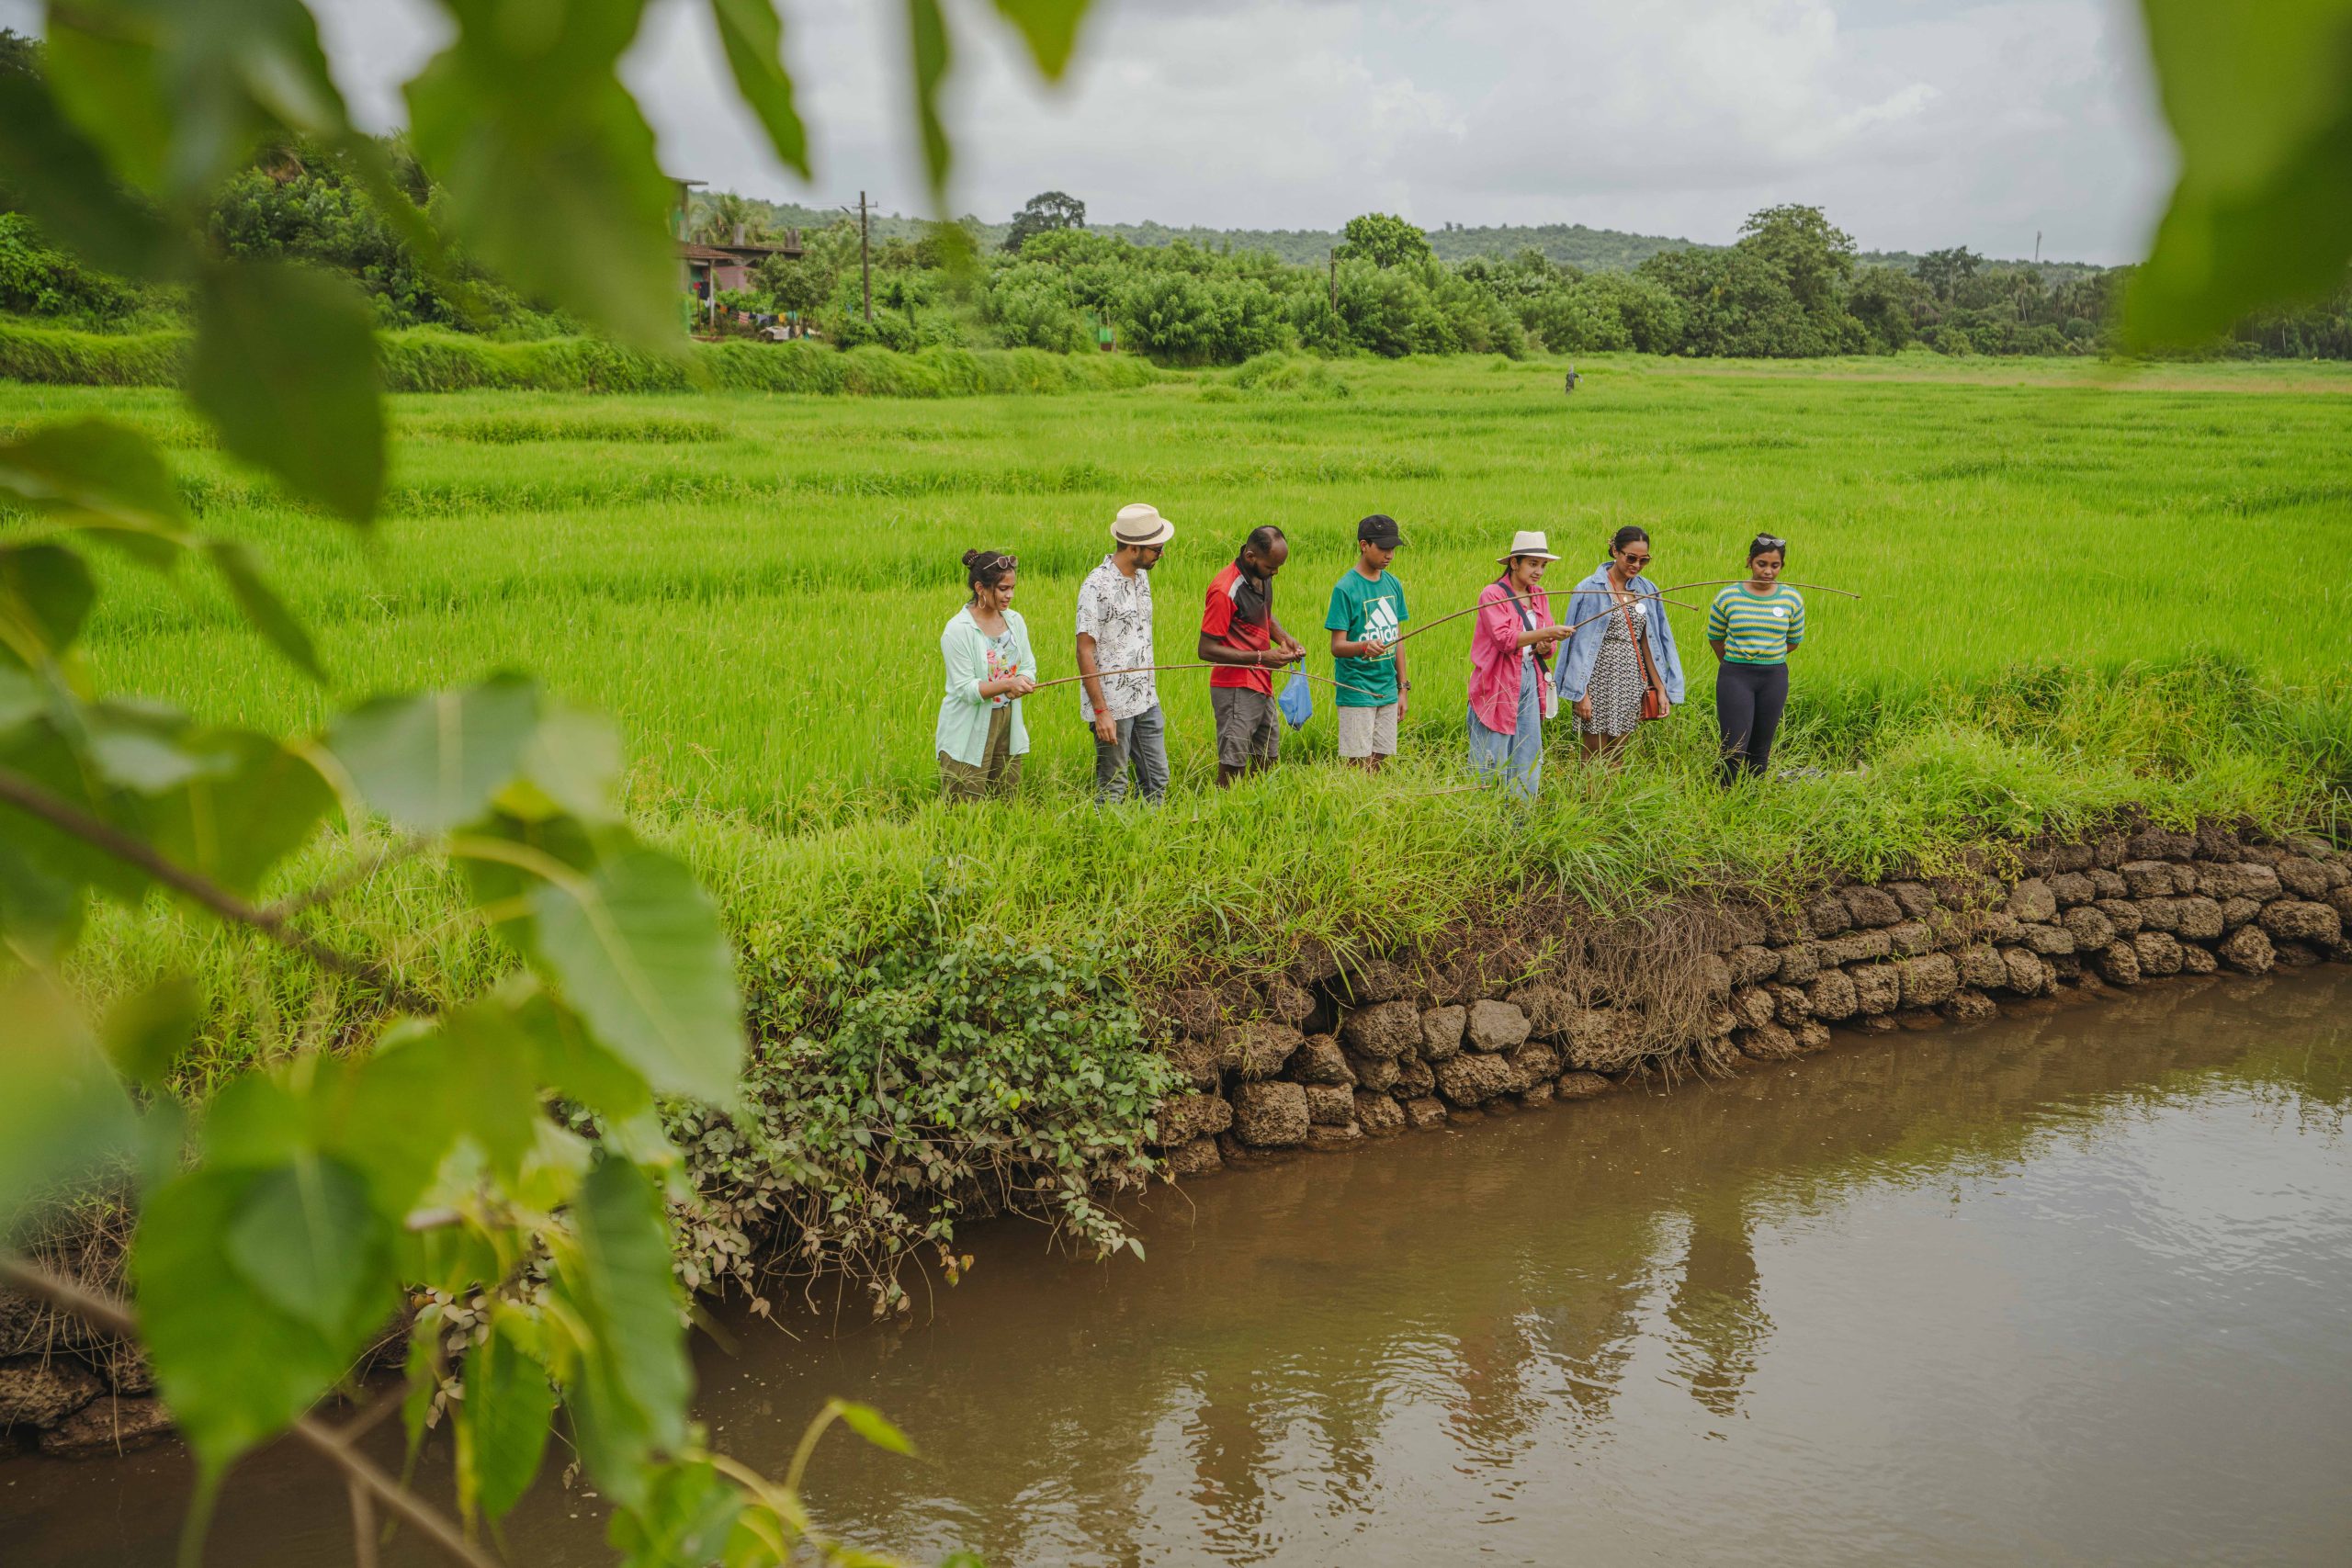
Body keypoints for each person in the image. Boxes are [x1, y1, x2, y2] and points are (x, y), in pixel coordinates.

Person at [1556, 525, 1685, 765]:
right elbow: (1577, 645)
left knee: (1618, 753)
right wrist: (1580, 693)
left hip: (1630, 680)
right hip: (1597, 680)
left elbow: (1651, 642)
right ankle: (1590, 801)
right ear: (1615, 551)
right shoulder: (1589, 588)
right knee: (1593, 753)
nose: (1636, 565)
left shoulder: (1647, 590)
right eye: (1631, 558)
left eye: (1644, 560)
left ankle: (1611, 801)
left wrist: (1661, 689)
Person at [1076, 502, 1175, 804]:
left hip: (1146, 698)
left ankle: (1148, 839)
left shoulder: (1141, 577)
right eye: (1156, 549)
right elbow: (1084, 649)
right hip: (1113, 706)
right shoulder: (1096, 586)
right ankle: (1107, 841)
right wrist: (1101, 711)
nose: (1161, 554)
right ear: (1133, 548)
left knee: (1158, 778)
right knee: (1113, 785)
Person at [1198, 525, 1306, 786]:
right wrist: (1261, 658)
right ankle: (1225, 812)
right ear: (1250, 557)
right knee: (1233, 762)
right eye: (1271, 567)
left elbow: (1263, 615)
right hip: (1235, 687)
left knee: (1267, 754)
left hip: (1260, 681)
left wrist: (1284, 639)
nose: (1276, 573)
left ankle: (1259, 807)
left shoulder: (1261, 576)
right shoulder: (1225, 590)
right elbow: (1206, 649)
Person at [1467, 530, 1571, 798]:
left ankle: (1520, 820)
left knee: (1527, 750)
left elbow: (1545, 644)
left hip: (1530, 678)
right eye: (1533, 564)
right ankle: (1484, 816)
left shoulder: (1539, 594)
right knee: (1492, 753)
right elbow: (1505, 639)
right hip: (1498, 681)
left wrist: (1546, 644)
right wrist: (1546, 634)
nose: (1539, 571)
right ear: (1515, 563)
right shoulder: (1493, 594)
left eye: (1543, 565)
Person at [935, 548, 1036, 800]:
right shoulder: (958, 630)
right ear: (981, 588)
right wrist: (1007, 684)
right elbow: (966, 689)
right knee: (964, 805)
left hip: (1007, 719)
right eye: (1003, 589)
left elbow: (1028, 665)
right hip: (969, 724)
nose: (1010, 595)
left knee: (1006, 797)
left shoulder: (1014, 621)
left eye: (1012, 588)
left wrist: (1022, 681)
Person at [1707, 533, 1805, 784]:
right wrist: (1733, 662)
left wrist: (1768, 655)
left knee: (1761, 748)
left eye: (1775, 566)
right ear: (1749, 561)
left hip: (1774, 677)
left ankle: (1752, 800)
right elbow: (1715, 637)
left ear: (1782, 566)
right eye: (1762, 564)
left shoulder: (1791, 598)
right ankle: (1723, 797)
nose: (1768, 571)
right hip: (1735, 676)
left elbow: (1793, 640)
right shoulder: (1728, 596)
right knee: (1734, 746)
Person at [1324, 513, 1411, 773]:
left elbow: (1398, 639)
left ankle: (1370, 798)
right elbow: (1337, 646)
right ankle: (1355, 804)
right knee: (1357, 761)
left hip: (1386, 687)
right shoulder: (1345, 588)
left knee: (1380, 755)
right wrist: (1363, 647)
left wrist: (1403, 688)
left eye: (1393, 549)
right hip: (1357, 688)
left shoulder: (1393, 584)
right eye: (1383, 548)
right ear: (1364, 545)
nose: (1390, 555)